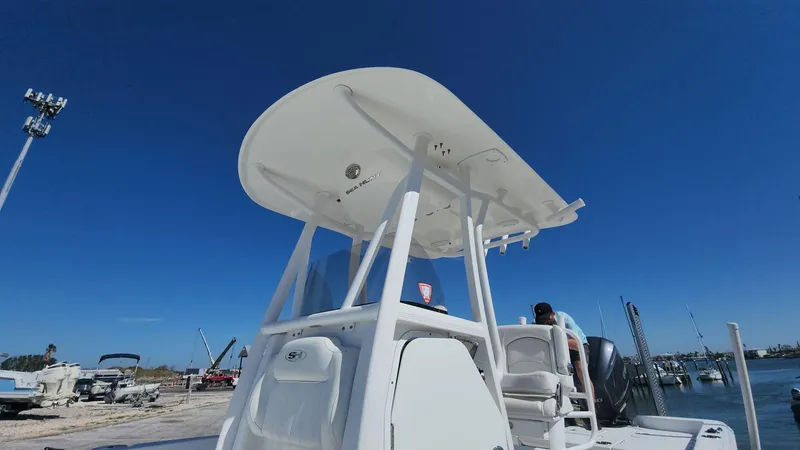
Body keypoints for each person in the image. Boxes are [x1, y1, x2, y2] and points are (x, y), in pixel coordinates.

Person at [533, 302, 594, 396]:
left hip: (577, 345)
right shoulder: (536, 323)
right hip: (556, 347)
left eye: (546, 319)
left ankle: (591, 405)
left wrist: (557, 339)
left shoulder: (565, 319)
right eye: (541, 320)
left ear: (552, 314)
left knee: (581, 372)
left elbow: (576, 344)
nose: (544, 322)